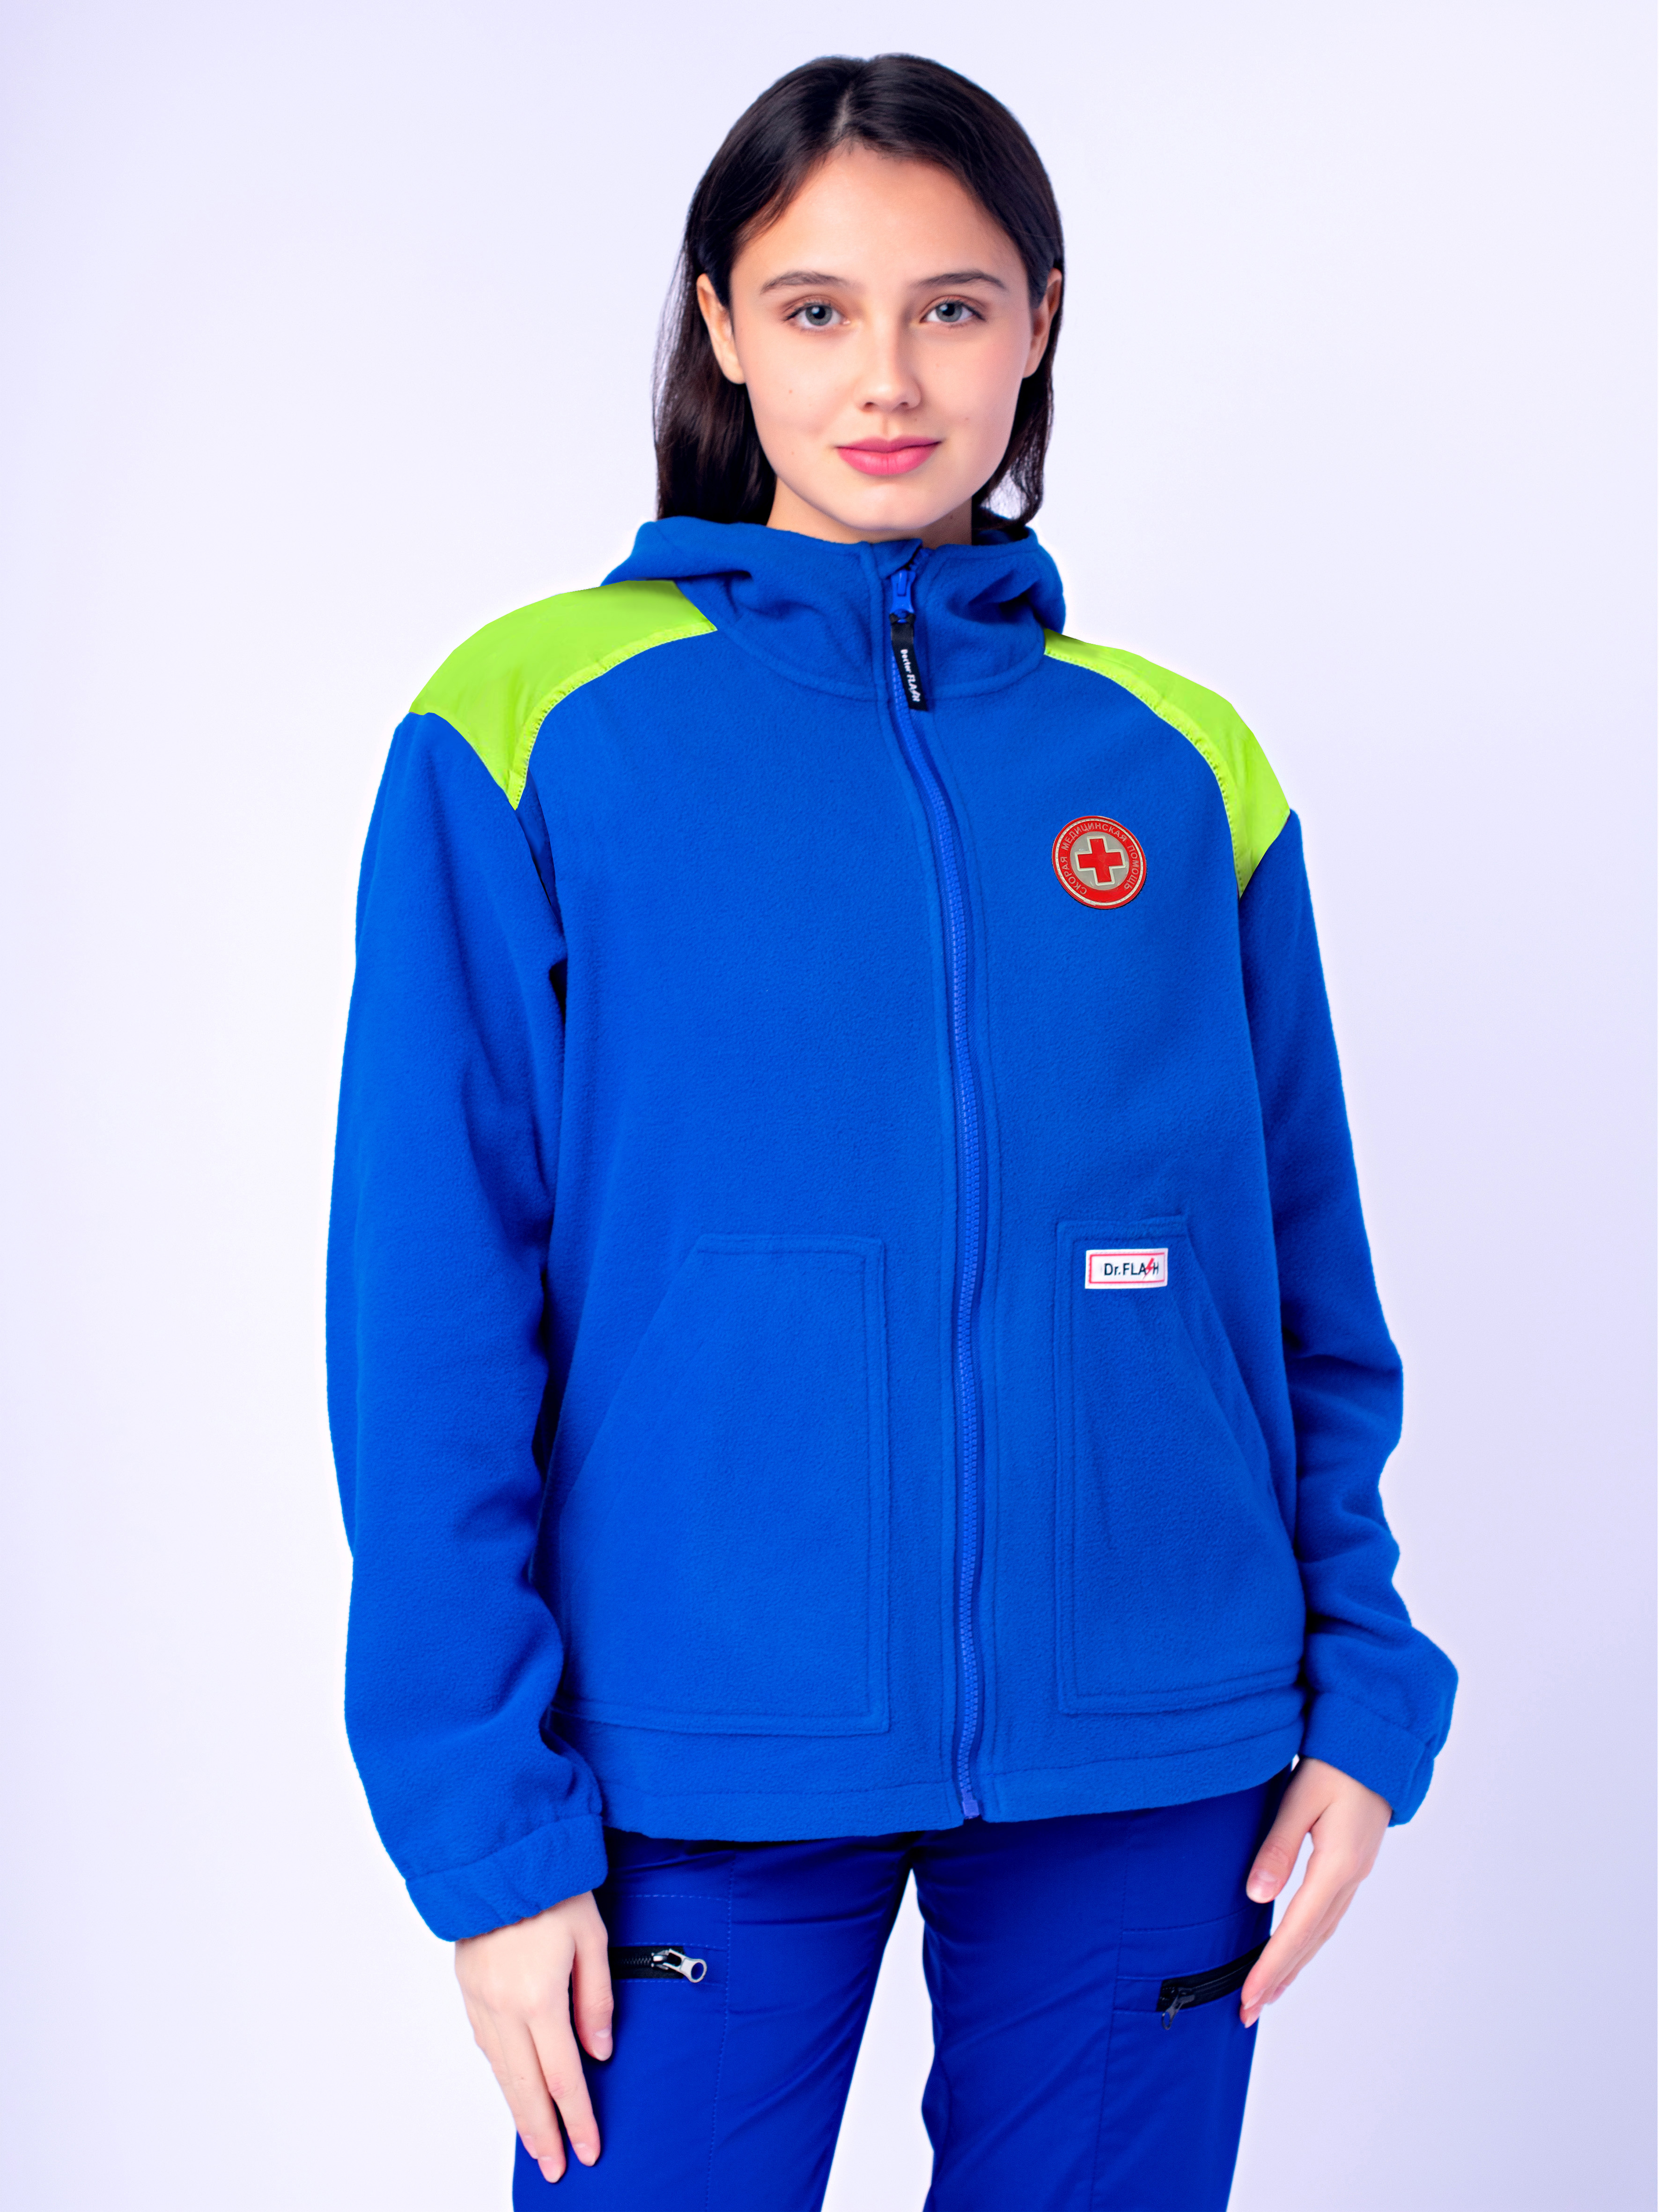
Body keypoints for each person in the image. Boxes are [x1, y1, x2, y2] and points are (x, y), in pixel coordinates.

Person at [327, 52, 1457, 2211]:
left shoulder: (1177, 761)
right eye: (816, 307)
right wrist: (487, 1830)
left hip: (1158, 1737)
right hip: (688, 1747)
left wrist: (1359, 1694)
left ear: (1038, 322)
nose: (887, 376)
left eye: (951, 305)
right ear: (721, 324)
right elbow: (430, 1311)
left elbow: (1298, 1281)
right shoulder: (533, 725)